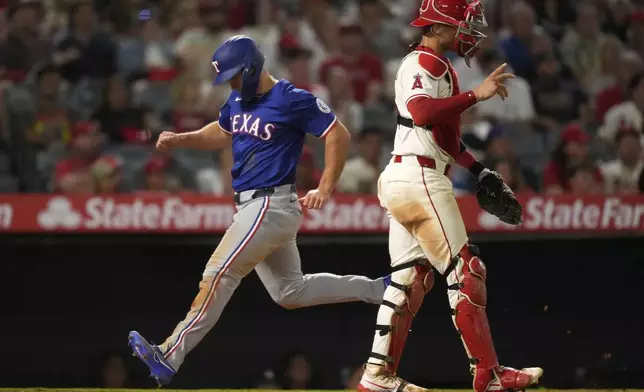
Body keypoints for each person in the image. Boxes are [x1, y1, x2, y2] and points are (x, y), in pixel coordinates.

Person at [128, 35, 389, 387]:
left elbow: (337, 134)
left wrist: (326, 186)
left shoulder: (290, 98)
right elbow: (222, 132)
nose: (231, 83)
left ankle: (170, 354)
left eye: (235, 76)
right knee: (289, 292)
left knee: (218, 274)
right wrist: (181, 139)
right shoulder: (237, 98)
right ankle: (379, 290)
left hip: (270, 204)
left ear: (251, 67)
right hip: (256, 206)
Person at [356, 1, 543, 392]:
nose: (470, 31)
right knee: (467, 270)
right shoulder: (427, 62)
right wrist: (478, 95)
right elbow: (423, 113)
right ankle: (489, 375)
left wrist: (478, 170)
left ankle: (375, 377)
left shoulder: (429, 63)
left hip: (408, 173)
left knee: (409, 280)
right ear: (439, 25)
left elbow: (442, 136)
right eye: (463, 23)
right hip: (420, 177)